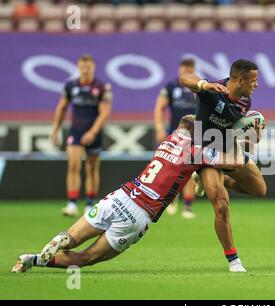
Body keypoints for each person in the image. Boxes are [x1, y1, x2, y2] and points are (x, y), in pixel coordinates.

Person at [12, 115, 245, 274]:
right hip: (138, 213)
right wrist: (243, 141)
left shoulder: (167, 141)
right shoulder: (196, 152)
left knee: (72, 238)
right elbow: (235, 163)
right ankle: (32, 259)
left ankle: (43, 252)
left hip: (120, 196)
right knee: (87, 258)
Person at [179, 59, 267, 272]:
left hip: (229, 150)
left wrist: (253, 135)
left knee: (259, 191)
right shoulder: (212, 91)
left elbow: (234, 129)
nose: (256, 85)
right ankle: (234, 260)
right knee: (221, 204)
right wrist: (203, 84)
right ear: (239, 80)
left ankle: (219, 180)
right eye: (253, 80)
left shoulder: (245, 102)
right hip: (206, 154)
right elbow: (185, 78)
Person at [50, 55, 112, 217]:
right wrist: (55, 129)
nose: (85, 70)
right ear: (78, 67)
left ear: (93, 68)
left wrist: (92, 132)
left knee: (92, 168)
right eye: (82, 67)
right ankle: (71, 203)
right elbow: (62, 108)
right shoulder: (71, 86)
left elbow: (104, 112)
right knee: (73, 166)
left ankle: (89, 204)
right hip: (76, 131)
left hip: (94, 132)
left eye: (88, 67)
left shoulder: (102, 87)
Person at [153, 58, 199, 219]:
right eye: (184, 70)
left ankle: (187, 206)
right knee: (171, 168)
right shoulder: (171, 87)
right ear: (180, 70)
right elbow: (159, 106)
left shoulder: (200, 87)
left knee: (189, 168)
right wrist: (159, 127)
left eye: (189, 70)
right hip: (176, 134)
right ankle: (171, 201)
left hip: (196, 135)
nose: (186, 73)